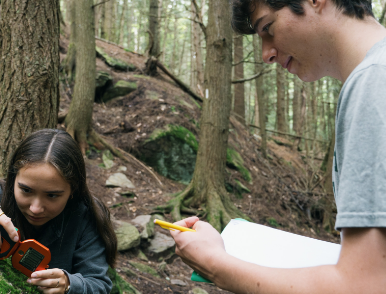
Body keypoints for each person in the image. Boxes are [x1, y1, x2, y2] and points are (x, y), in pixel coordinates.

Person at [170, 0, 386, 293]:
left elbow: (363, 285)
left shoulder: (373, 83)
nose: (265, 54)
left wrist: (215, 263)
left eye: (268, 28)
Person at [0, 129, 117, 294]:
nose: (36, 208)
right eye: (26, 190)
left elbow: (99, 285)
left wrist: (70, 284)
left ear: (73, 191)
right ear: (13, 179)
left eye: (52, 195)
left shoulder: (84, 219)